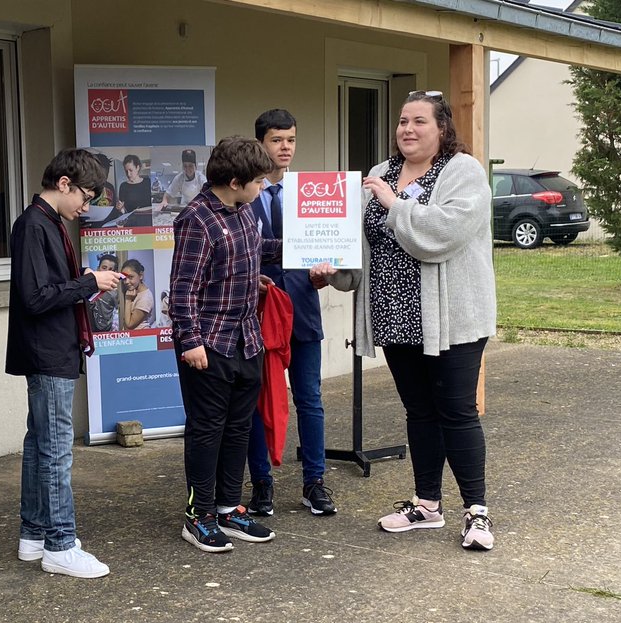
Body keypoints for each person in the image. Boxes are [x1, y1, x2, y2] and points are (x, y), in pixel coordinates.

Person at [311, 91, 496, 551]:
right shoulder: (379, 174)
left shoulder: (463, 172)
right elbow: (361, 243)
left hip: (451, 317)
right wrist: (331, 268)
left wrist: (395, 205)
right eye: (402, 121)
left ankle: (477, 512)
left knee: (456, 411)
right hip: (395, 314)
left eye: (419, 122)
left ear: (442, 129)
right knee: (419, 411)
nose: (407, 130)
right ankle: (427, 505)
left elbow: (443, 234)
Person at [7, 148, 124, 578]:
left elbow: (45, 292)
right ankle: (59, 544)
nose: (86, 207)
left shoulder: (45, 223)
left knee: (40, 444)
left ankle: (34, 535)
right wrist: (88, 282)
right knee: (55, 450)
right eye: (85, 197)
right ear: (63, 184)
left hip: (51, 349)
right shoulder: (34, 225)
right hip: (48, 351)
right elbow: (36, 298)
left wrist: (85, 284)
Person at [169, 136, 281, 553]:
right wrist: (191, 341)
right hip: (209, 345)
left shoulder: (245, 210)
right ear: (235, 181)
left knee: (238, 428)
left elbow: (257, 250)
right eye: (258, 181)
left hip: (247, 340)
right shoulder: (195, 219)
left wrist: (307, 247)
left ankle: (229, 507)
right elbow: (182, 289)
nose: (263, 188)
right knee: (206, 431)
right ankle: (199, 516)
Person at [245, 108, 336, 518]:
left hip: (302, 306)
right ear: (261, 142)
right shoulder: (244, 192)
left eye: (292, 140)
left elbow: (326, 247)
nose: (286, 148)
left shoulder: (311, 191)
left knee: (310, 399)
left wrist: (325, 273)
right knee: (257, 400)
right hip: (257, 310)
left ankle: (314, 482)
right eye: (278, 140)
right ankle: (261, 484)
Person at [88, 253, 120, 332]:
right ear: (98, 269)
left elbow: (118, 312)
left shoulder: (115, 293)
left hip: (106, 332)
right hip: (89, 330)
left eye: (110, 269)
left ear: (115, 272)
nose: (106, 272)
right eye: (104, 268)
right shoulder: (88, 287)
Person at [119, 258, 153, 330]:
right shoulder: (132, 292)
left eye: (130, 277)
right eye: (124, 278)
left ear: (140, 276)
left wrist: (128, 300)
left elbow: (129, 324)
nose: (126, 282)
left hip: (140, 337)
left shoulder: (145, 298)